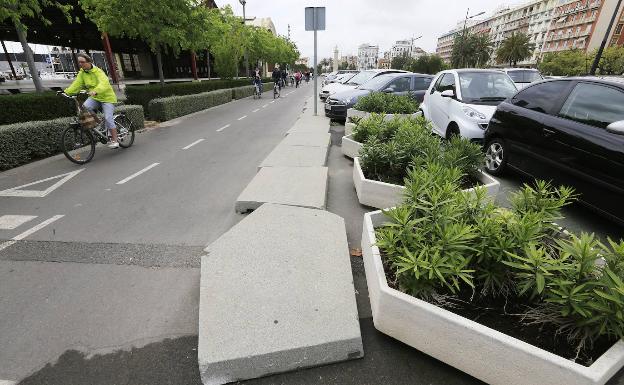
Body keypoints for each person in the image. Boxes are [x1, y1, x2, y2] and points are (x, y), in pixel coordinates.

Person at [64, 53, 119, 148]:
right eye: (79, 62)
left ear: (89, 62)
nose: (80, 64)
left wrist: (95, 90)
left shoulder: (98, 72)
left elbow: (104, 83)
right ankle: (98, 123)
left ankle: (115, 140)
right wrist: (66, 92)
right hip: (95, 97)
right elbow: (76, 85)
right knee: (85, 107)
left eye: (82, 62)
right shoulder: (82, 73)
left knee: (108, 118)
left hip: (107, 98)